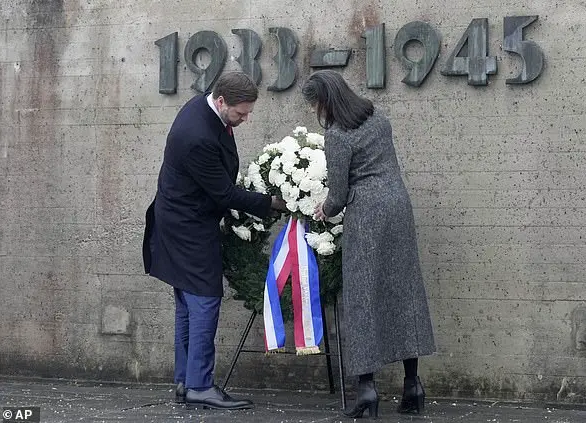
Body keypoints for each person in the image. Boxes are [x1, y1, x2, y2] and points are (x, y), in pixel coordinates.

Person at [142, 72, 285, 410]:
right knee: (204, 299)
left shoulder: (203, 108)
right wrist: (271, 203)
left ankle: (186, 380)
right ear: (221, 101)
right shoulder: (197, 136)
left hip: (179, 217)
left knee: (187, 304)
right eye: (241, 113)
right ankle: (200, 386)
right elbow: (223, 193)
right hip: (187, 226)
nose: (245, 119)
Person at [302, 70, 436, 419]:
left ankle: (367, 391)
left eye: (316, 104)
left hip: (367, 214)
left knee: (362, 296)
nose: (316, 111)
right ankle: (412, 385)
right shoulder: (378, 118)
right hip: (398, 207)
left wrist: (324, 209)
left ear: (325, 101)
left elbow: (340, 193)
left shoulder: (337, 135)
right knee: (405, 291)